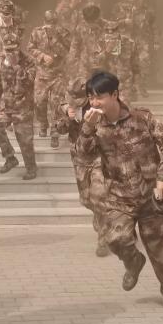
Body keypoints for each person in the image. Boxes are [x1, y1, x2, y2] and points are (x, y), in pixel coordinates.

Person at [76, 70, 163, 310]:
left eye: (99, 97)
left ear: (114, 95)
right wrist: (87, 129)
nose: (94, 103)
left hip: (150, 197)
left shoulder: (141, 118)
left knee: (160, 251)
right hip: (119, 197)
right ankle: (133, 262)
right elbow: (83, 155)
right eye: (90, 97)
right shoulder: (94, 126)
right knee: (115, 239)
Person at [54, 78, 110, 257]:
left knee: (99, 196)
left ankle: (103, 239)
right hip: (79, 158)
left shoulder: (98, 106)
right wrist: (66, 119)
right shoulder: (66, 106)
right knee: (86, 199)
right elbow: (59, 129)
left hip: (98, 156)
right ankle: (101, 217)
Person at [0, 35, 38, 180]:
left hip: (23, 106)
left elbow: (30, 81)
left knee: (25, 140)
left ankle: (31, 168)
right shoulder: (0, 60)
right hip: (5, 104)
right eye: (7, 50)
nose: (10, 53)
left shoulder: (29, 61)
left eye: (13, 49)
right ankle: (10, 157)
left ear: (19, 47)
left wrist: (17, 66)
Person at [28, 10, 71, 148]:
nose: (50, 24)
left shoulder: (63, 33)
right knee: (39, 102)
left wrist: (55, 40)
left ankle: (55, 133)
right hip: (42, 73)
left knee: (56, 104)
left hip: (58, 74)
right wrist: (42, 56)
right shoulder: (36, 32)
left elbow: (69, 51)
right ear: (44, 21)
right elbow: (30, 48)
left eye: (53, 22)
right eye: (48, 22)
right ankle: (43, 123)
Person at [66, 3, 107, 91]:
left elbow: (116, 49)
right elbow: (74, 47)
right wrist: (72, 67)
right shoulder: (80, 28)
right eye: (88, 22)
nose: (90, 24)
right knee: (85, 91)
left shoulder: (108, 27)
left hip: (104, 66)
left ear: (98, 18)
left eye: (92, 21)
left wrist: (105, 53)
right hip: (85, 65)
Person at [101, 19, 140, 103]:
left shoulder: (129, 43)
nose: (110, 32)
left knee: (124, 106)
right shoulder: (100, 43)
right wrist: (106, 51)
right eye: (107, 30)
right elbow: (94, 63)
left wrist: (136, 83)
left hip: (125, 81)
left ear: (119, 30)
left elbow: (135, 65)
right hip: (106, 82)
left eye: (113, 30)